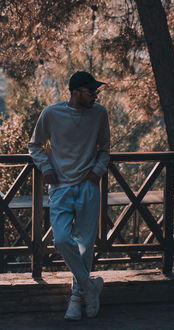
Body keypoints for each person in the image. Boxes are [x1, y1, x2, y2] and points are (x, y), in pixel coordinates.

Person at [28, 71, 110, 320]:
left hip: (88, 187)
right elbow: (35, 145)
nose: (94, 96)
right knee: (62, 240)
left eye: (95, 92)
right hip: (61, 188)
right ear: (75, 92)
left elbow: (105, 148)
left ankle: (76, 299)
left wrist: (97, 172)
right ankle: (90, 287)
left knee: (85, 248)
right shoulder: (51, 114)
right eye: (90, 91)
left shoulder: (99, 114)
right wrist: (47, 168)